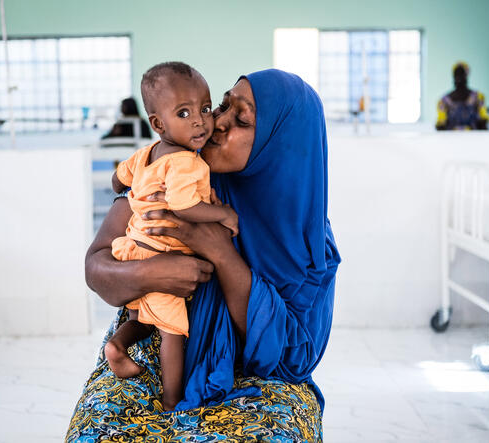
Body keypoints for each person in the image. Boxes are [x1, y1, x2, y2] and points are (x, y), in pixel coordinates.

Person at [66, 69, 341, 441]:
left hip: (256, 378)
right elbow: (95, 266)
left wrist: (218, 251)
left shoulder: (308, 242)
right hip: (151, 352)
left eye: (240, 118)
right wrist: (153, 274)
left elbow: (294, 357)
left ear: (280, 144)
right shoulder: (175, 173)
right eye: (224, 105)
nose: (219, 121)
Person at [106, 62, 238, 411]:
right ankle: (171, 399)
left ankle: (117, 347)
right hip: (158, 255)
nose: (199, 120)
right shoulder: (187, 163)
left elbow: (119, 179)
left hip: (132, 246)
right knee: (172, 332)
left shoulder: (147, 153)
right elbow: (184, 206)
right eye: (184, 113)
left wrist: (128, 187)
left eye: (205, 109)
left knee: (141, 319)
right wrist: (223, 213)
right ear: (158, 123)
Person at [436, 61, 489, 130]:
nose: (459, 78)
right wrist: (441, 125)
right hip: (451, 138)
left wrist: (482, 123)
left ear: (466, 75)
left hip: (474, 138)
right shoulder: (444, 101)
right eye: (456, 74)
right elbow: (441, 121)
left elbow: (483, 117)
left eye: (461, 74)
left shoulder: (478, 97)